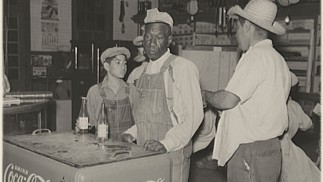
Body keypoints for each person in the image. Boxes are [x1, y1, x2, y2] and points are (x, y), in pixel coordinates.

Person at [202, 0, 291, 181]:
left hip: (250, 152)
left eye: (237, 29)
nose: (236, 35)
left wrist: (204, 95)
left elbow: (227, 100)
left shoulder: (255, 56)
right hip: (271, 149)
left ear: (248, 26)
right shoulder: (278, 60)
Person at [122, 8, 204, 182]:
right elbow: (145, 118)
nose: (151, 43)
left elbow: (194, 117)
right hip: (144, 155)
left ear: (169, 40)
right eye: (148, 36)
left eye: (158, 37)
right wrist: (132, 133)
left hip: (172, 156)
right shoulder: (141, 73)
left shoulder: (183, 68)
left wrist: (165, 144)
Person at [85, 47, 136, 141]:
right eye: (118, 62)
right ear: (107, 66)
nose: (123, 66)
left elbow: (139, 122)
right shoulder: (95, 92)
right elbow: (89, 124)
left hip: (128, 149)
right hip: (102, 147)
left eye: (125, 63)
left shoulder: (132, 90)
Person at [279, 72, 320, 182]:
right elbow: (308, 125)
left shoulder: (272, 105)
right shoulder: (294, 106)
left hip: (272, 148)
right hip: (288, 150)